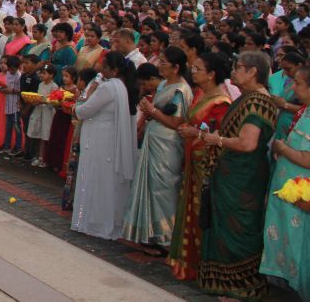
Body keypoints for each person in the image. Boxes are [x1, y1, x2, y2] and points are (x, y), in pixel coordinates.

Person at [192, 51, 278, 299]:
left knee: (239, 228)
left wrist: (216, 139)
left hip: (243, 176)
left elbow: (247, 143)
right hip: (232, 172)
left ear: (253, 72)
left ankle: (241, 286)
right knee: (225, 226)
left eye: (238, 67)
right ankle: (226, 283)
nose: (233, 71)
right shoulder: (246, 98)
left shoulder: (257, 102)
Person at [168, 52, 234, 281]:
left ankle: (202, 263)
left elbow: (220, 135)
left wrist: (194, 133)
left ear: (212, 74)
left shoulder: (221, 102)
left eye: (198, 69)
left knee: (200, 211)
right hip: (192, 161)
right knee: (188, 208)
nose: (193, 72)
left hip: (206, 164)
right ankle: (187, 261)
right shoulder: (200, 94)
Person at [121, 46, 193, 252]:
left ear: (176, 67)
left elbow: (176, 122)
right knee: (150, 185)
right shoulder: (163, 85)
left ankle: (165, 237)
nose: (159, 66)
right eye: (159, 61)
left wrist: (152, 110)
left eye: (164, 62)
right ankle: (149, 233)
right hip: (154, 138)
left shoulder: (181, 90)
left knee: (163, 188)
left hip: (168, 144)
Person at [70, 51, 137, 240]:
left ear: (113, 70)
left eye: (104, 67)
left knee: (96, 176)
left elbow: (86, 109)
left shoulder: (107, 87)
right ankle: (102, 219)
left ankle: (94, 221)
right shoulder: (120, 86)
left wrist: (78, 104)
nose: (100, 69)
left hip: (99, 138)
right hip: (106, 136)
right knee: (105, 178)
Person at [260, 65, 310, 299]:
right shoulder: (305, 111)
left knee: (300, 246)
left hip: (302, 196)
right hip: (290, 192)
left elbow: (307, 158)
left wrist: (282, 148)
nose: (293, 88)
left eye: (298, 83)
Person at [27, 63, 58, 167]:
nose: (41, 75)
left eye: (44, 73)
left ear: (51, 75)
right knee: (39, 134)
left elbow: (54, 101)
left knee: (46, 134)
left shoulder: (54, 86)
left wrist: (43, 101)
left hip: (47, 113)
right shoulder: (40, 84)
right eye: (41, 73)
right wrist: (34, 101)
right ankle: (39, 156)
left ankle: (44, 158)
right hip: (39, 111)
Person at [0, 55, 24, 156]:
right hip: (8, 104)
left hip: (15, 105)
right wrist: (2, 89)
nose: (11, 71)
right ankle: (7, 145)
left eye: (13, 69)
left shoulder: (19, 76)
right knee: (8, 126)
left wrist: (11, 91)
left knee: (16, 126)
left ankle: (18, 146)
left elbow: (21, 91)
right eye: (10, 69)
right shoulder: (8, 73)